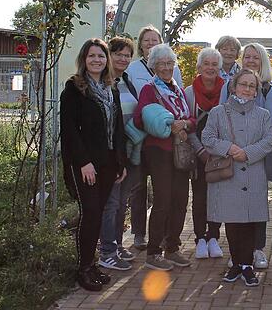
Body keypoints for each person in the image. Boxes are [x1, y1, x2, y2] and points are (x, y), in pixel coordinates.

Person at [60, 38, 128, 291]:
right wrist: (84, 163)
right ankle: (83, 268)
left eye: (101, 56)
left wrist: (121, 161)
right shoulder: (74, 89)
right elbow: (69, 131)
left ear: (106, 60)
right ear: (84, 60)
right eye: (92, 56)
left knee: (98, 213)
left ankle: (92, 262)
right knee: (89, 212)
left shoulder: (112, 89)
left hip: (109, 163)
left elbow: (118, 128)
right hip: (85, 165)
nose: (97, 60)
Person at [202, 69, 272, 287]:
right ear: (233, 87)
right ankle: (236, 263)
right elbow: (207, 137)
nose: (247, 89)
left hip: (253, 174)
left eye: (252, 86)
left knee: (252, 221)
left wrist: (248, 153)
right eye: (243, 84)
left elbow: (269, 140)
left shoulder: (263, 114)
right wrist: (229, 148)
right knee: (233, 221)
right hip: (229, 175)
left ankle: (248, 266)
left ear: (256, 92)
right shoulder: (218, 112)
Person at [133, 44, 195, 271]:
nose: (167, 68)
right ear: (154, 66)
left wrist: (185, 124)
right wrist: (167, 125)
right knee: (163, 201)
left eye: (170, 63)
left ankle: (172, 247)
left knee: (180, 200)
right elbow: (140, 119)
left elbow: (192, 119)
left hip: (179, 151)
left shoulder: (177, 90)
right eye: (162, 64)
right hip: (159, 151)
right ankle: (153, 252)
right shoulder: (150, 90)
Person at [218, 42, 272, 269]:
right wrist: (234, 148)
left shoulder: (269, 90)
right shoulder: (229, 86)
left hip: (257, 157)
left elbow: (268, 125)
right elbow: (221, 117)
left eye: (256, 57)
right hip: (233, 155)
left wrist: (248, 150)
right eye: (248, 57)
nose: (251, 60)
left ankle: (258, 249)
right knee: (235, 204)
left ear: (262, 61)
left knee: (257, 204)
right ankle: (237, 252)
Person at [125, 25, 182, 250]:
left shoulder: (175, 82)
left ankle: (169, 241)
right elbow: (140, 111)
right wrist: (158, 120)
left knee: (171, 197)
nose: (150, 43)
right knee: (141, 189)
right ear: (141, 44)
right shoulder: (134, 70)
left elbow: (183, 110)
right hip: (145, 142)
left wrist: (184, 123)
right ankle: (141, 235)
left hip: (171, 147)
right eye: (146, 40)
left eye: (154, 39)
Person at [96, 37, 142, 271]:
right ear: (108, 56)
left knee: (122, 201)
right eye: (118, 54)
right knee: (111, 203)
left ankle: (115, 245)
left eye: (127, 55)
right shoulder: (102, 84)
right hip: (111, 152)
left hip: (129, 150)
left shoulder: (125, 80)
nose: (123, 59)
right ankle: (107, 251)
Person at [184, 47, 226, 259]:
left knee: (217, 196)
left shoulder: (226, 90)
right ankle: (200, 237)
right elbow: (187, 126)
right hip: (198, 153)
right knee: (200, 196)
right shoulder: (189, 93)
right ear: (199, 67)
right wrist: (200, 150)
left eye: (214, 64)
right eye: (206, 64)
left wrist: (218, 150)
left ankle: (213, 237)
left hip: (219, 154)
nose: (210, 68)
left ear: (219, 68)